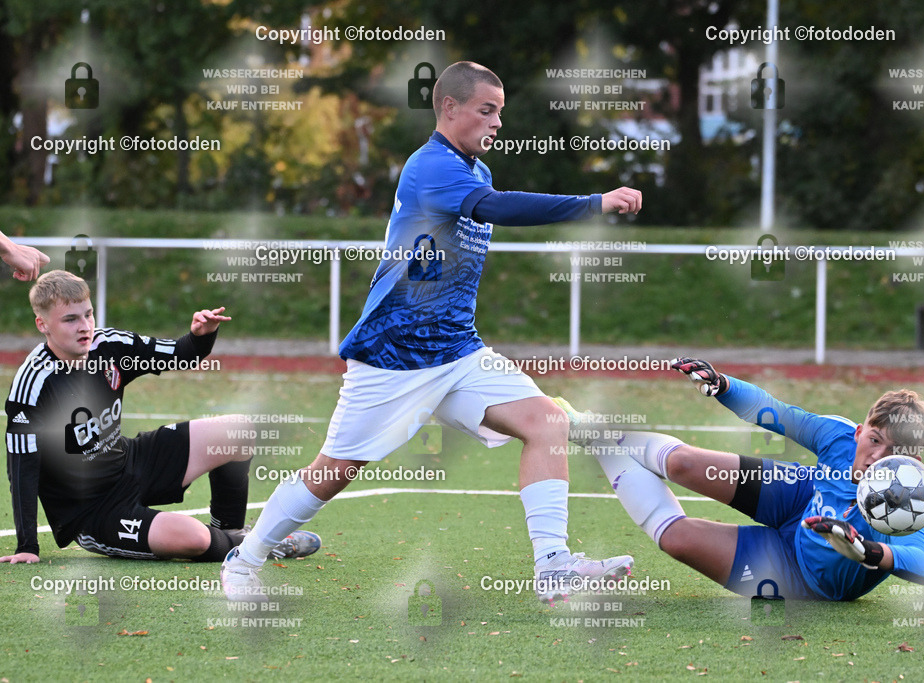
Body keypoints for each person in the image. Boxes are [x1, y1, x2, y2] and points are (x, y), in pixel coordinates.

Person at [222, 61, 642, 603]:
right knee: (336, 470)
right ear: (449, 108)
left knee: (546, 422)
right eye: (486, 111)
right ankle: (244, 560)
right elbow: (496, 209)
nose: (496, 123)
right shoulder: (431, 167)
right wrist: (593, 203)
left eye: (500, 113)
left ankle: (553, 564)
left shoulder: (474, 171)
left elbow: (481, 211)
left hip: (458, 351)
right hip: (394, 354)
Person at [554, 356, 924, 601]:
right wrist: (724, 385)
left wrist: (870, 553)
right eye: (874, 441)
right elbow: (777, 413)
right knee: (684, 464)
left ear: (913, 461)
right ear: (859, 432)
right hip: (797, 496)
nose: (877, 458)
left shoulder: (910, 496)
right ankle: (593, 429)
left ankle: (596, 442)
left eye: (893, 452)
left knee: (676, 540)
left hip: (797, 575)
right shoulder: (838, 436)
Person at [2, 270, 319, 564]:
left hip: (130, 463)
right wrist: (27, 545)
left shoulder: (110, 346)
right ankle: (250, 543)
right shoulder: (34, 383)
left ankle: (233, 533)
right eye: (70, 320)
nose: (85, 326)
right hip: (93, 511)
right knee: (193, 538)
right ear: (42, 325)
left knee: (238, 431)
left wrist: (200, 336)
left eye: (88, 314)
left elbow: (178, 354)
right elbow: (22, 466)